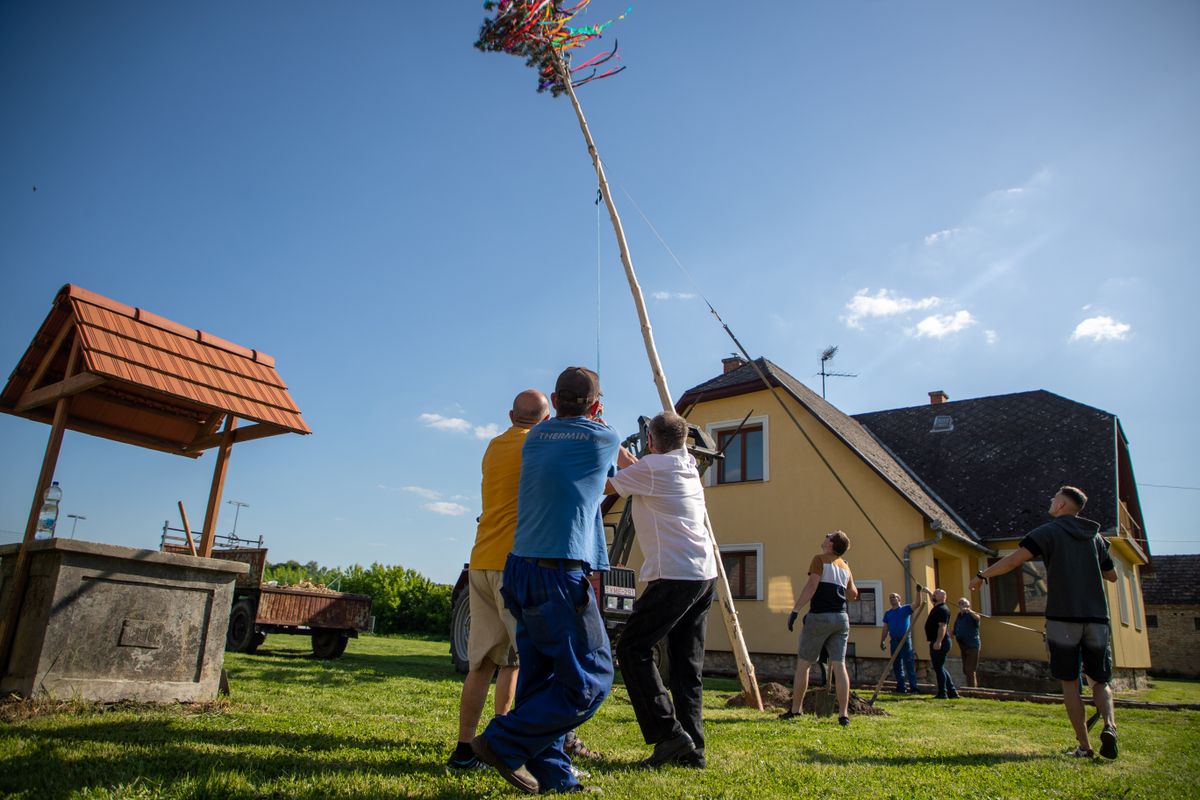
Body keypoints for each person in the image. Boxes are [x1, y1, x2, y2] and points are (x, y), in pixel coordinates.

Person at [472, 367, 622, 794]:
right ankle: (501, 740)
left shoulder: (536, 437)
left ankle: (556, 778)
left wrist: (586, 412)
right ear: (595, 406)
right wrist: (599, 416)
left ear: (554, 403)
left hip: (519, 570)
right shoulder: (603, 437)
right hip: (559, 574)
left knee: (538, 681)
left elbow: (568, 427)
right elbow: (613, 452)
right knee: (592, 677)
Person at [971, 485, 1119, 760]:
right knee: (1100, 680)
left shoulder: (1048, 532)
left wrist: (982, 575)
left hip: (1063, 617)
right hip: (1097, 617)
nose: (1051, 502)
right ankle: (1110, 726)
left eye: (1054, 499)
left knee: (1070, 682)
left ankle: (1085, 747)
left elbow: (1014, 561)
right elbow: (1111, 576)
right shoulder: (1095, 538)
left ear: (1062, 506)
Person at [606, 412, 716, 769]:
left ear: (651, 440)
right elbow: (639, 467)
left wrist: (604, 442)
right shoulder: (684, 464)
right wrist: (619, 448)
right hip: (703, 576)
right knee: (686, 666)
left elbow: (610, 485)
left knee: (632, 648)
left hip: (674, 576)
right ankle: (693, 752)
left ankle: (668, 735)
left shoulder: (652, 469)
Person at [447, 390, 550, 770]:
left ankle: (464, 748)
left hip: (481, 559)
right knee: (520, 662)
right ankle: (506, 744)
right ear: (545, 418)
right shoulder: (539, 446)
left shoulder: (493, 447)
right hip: (516, 563)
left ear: (510, 415)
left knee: (485, 663)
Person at [782, 530, 859, 726]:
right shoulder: (845, 566)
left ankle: (796, 710)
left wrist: (796, 610)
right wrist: (846, 576)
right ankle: (843, 715)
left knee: (804, 664)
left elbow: (811, 586)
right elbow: (852, 595)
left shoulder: (819, 559)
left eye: (829, 535)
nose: (825, 536)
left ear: (831, 544)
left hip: (819, 617)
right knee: (839, 665)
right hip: (841, 618)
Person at [879, 592, 920, 694]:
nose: (892, 599)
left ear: (899, 599)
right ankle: (901, 687)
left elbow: (917, 604)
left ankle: (914, 687)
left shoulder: (905, 609)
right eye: (890, 597)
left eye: (894, 597)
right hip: (894, 641)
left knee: (909, 663)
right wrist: (882, 640)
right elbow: (885, 628)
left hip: (905, 640)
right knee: (897, 664)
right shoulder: (888, 613)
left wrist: (918, 591)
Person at [922, 586, 959, 699]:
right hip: (936, 641)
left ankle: (943, 693)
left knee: (939, 668)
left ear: (943, 597)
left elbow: (942, 627)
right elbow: (932, 600)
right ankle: (952, 692)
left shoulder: (943, 609)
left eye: (936, 593)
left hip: (941, 642)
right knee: (940, 667)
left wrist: (938, 642)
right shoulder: (937, 607)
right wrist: (928, 591)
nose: (933, 594)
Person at [953, 597, 982, 688]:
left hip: (972, 646)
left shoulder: (971, 615)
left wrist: (969, 611)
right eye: (960, 603)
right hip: (963, 645)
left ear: (968, 605)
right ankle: (971, 687)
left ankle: (972, 690)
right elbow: (956, 628)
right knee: (965, 669)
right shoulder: (959, 616)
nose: (961, 605)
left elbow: (978, 618)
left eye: (963, 604)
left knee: (970, 669)